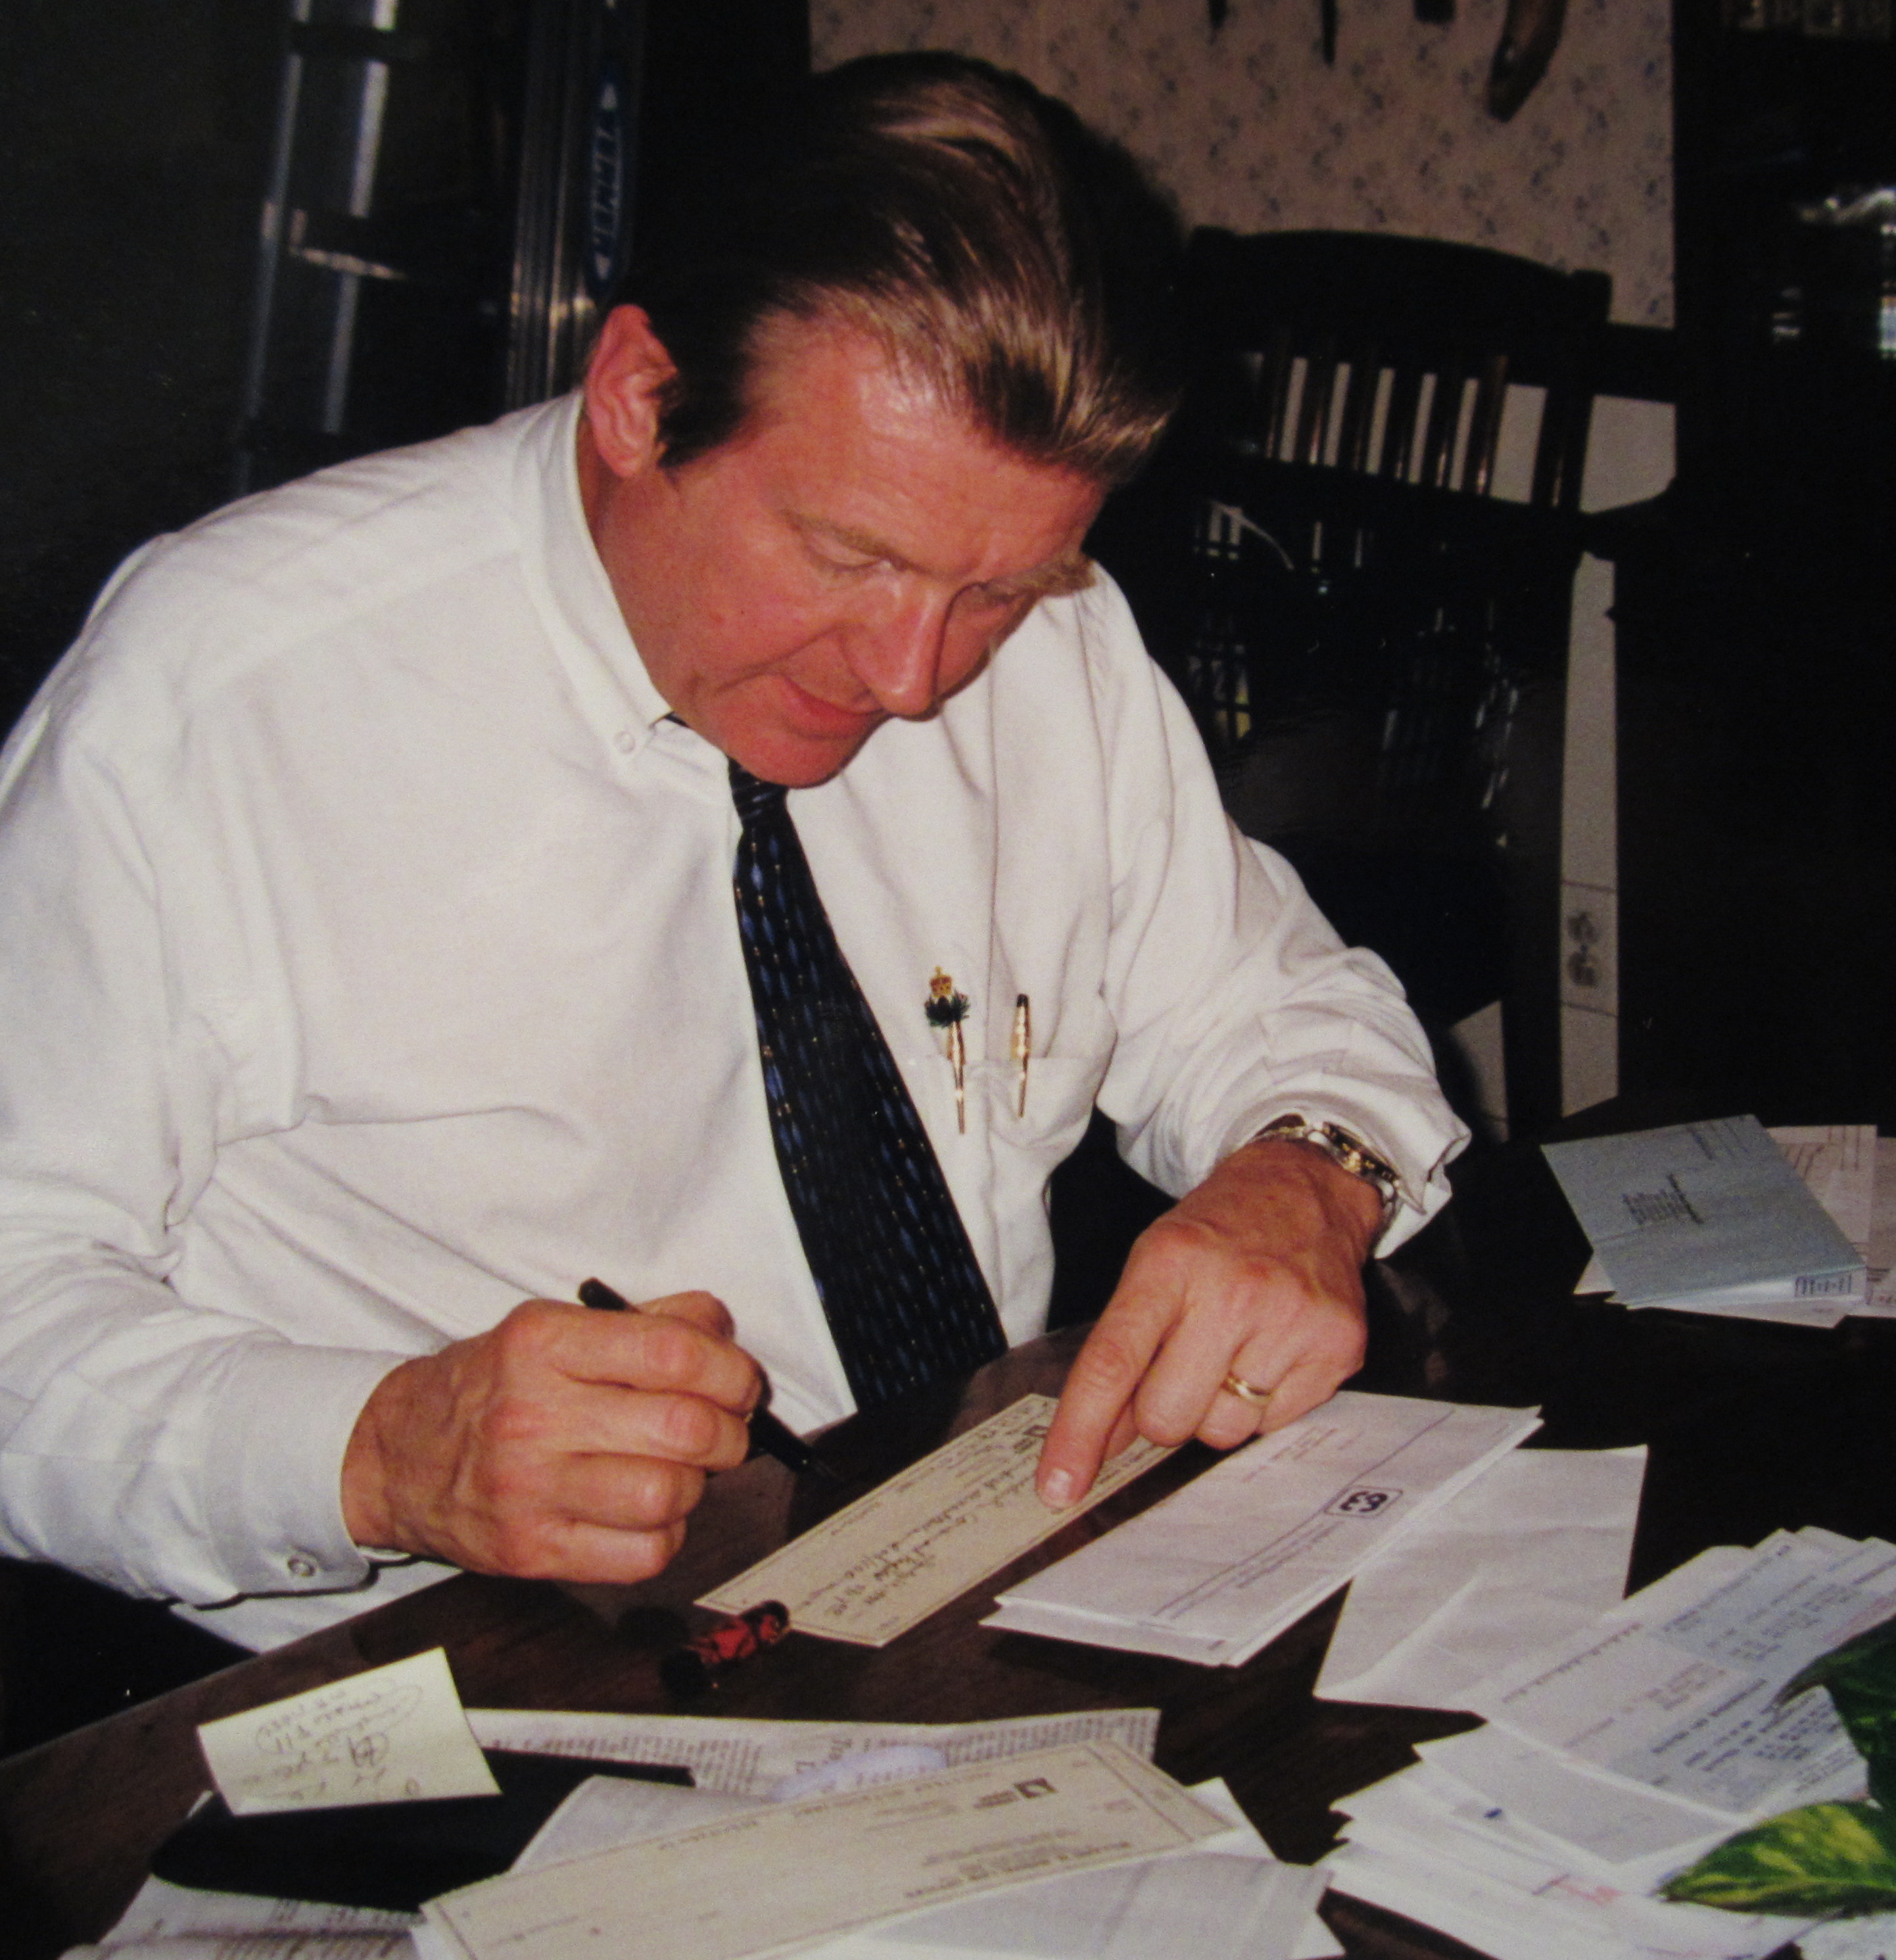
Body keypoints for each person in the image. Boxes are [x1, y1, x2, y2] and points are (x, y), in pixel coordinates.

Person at [0, 54, 1465, 1652]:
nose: (914, 677)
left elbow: (1273, 1009)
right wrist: (380, 1452)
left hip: (971, 1573)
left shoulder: (1052, 635)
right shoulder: (223, 697)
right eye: (847, 557)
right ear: (639, 400)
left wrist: (1301, 1183)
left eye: (993, 591)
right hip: (454, 1660)